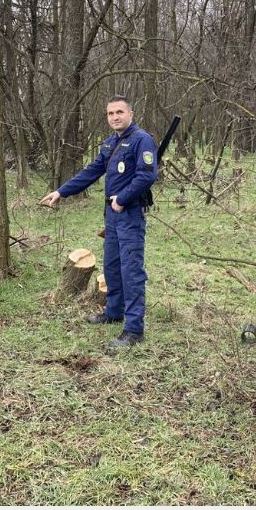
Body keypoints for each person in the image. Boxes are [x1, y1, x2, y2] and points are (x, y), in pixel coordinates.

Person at [40, 96, 157, 348]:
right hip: (112, 217)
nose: (114, 117)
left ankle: (134, 329)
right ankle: (114, 312)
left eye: (119, 112)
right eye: (110, 113)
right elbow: (91, 171)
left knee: (131, 270)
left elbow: (147, 175)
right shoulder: (111, 143)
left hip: (130, 213)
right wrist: (61, 192)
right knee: (113, 266)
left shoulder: (141, 140)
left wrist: (123, 198)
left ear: (131, 114)